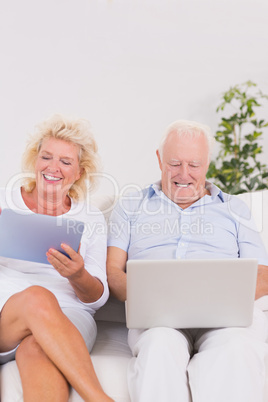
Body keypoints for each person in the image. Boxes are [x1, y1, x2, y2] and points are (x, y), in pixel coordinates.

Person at [107, 119, 268, 402]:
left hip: (226, 321)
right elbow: (113, 274)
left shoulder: (235, 208)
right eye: (174, 163)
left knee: (236, 350)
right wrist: (154, 298)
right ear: (159, 159)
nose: (184, 174)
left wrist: (214, 302)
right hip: (158, 321)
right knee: (159, 348)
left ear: (207, 163)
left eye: (194, 164)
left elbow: (263, 276)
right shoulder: (130, 206)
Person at [0, 114, 113, 401]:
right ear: (34, 160)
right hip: (7, 317)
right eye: (46, 157)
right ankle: (99, 398)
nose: (53, 168)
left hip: (69, 318)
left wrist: (78, 275)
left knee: (38, 349)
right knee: (37, 297)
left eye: (65, 162)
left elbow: (98, 297)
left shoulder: (91, 218)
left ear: (79, 172)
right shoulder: (4, 203)